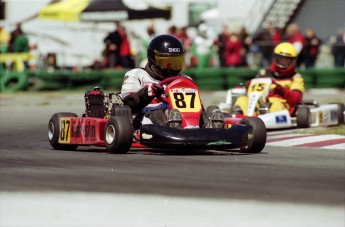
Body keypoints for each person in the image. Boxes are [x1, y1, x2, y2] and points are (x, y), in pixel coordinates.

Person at [120, 34, 223, 129]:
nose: (170, 67)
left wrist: (202, 114)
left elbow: (197, 106)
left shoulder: (185, 79)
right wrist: (149, 92)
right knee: (159, 112)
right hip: (146, 119)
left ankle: (210, 127)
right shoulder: (138, 75)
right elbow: (129, 102)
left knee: (206, 111)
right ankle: (173, 125)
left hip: (185, 118)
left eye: (175, 62)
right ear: (153, 59)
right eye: (166, 62)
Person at [233, 42, 305, 116]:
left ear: (292, 61)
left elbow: (296, 98)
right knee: (242, 99)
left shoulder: (295, 77)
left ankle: (266, 116)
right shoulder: (264, 73)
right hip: (260, 101)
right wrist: (249, 85)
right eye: (281, 59)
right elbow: (255, 90)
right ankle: (239, 116)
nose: (283, 63)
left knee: (276, 105)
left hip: (281, 102)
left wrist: (282, 90)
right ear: (276, 59)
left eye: (286, 60)